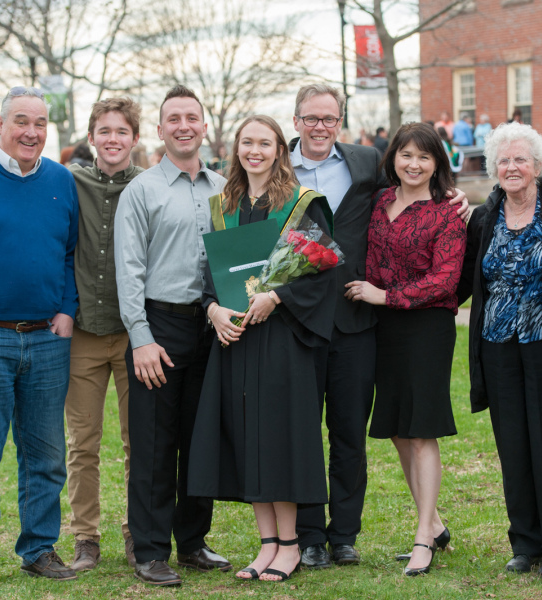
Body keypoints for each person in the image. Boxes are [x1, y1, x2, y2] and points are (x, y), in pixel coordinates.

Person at [289, 83, 470, 569]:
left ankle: (345, 535)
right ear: (296, 121)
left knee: (354, 431)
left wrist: (456, 199)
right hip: (309, 320)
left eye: (330, 118)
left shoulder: (364, 163)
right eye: (312, 118)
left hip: (367, 321)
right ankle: (310, 536)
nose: (321, 126)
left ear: (340, 121)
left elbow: (444, 269)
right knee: (327, 431)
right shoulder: (279, 167)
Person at [188, 115, 335, 583]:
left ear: (279, 150)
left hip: (282, 338)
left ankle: (290, 545)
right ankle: (266, 543)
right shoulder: (224, 204)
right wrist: (212, 310)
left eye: (264, 143)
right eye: (247, 143)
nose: (255, 151)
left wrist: (278, 297)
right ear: (237, 149)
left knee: (280, 437)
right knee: (248, 436)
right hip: (235, 337)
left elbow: (323, 272)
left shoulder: (303, 203)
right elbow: (211, 278)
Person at [457, 122, 542, 578]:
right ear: (493, 169)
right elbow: (466, 276)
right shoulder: (484, 217)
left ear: (538, 166)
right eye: (503, 161)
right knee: (513, 446)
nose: (511, 167)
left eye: (520, 159)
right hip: (497, 346)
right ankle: (525, 542)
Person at [114, 85, 230, 587]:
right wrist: (141, 338)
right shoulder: (141, 190)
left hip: (212, 327)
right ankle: (150, 548)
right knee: (155, 444)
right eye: (173, 118)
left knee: (200, 440)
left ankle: (193, 542)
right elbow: (128, 269)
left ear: (204, 126)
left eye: (192, 117)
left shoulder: (225, 187)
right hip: (158, 327)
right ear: (160, 130)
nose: (184, 125)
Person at [345, 122, 466, 577]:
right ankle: (433, 524)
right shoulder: (380, 201)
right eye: (406, 155)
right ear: (392, 157)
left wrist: (384, 295)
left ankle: (422, 539)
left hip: (426, 327)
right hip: (385, 329)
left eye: (424, 157)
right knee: (397, 428)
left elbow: (445, 280)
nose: (414, 165)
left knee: (420, 430)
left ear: (438, 164)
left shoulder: (448, 212)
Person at [0, 86, 79, 591]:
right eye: (21, 121)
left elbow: (68, 255)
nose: (31, 132)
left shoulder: (61, 181)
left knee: (44, 454)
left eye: (40, 123)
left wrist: (66, 310)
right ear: (0, 125)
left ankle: (39, 548)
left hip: (46, 338)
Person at [66, 97, 144, 572]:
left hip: (137, 335)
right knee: (83, 441)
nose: (113, 139)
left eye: (121, 131)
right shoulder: (69, 182)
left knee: (142, 441)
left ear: (135, 137)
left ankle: (139, 531)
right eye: (104, 130)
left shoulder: (149, 186)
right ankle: (85, 536)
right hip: (84, 332)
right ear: (92, 136)